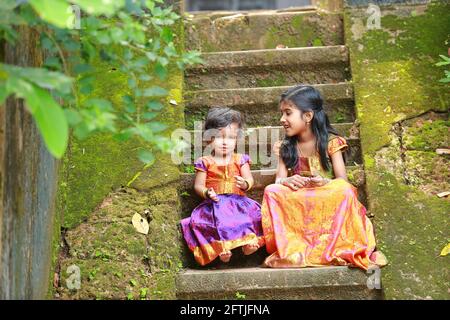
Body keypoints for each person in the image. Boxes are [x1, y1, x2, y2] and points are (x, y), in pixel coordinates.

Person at [261, 85, 387, 270]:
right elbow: (278, 180)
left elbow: (342, 180)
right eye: (282, 113)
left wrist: (325, 182)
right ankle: (293, 247)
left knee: (344, 190)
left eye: (288, 113)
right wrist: (286, 181)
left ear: (308, 116)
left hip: (325, 194)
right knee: (271, 190)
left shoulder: (331, 141)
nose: (282, 119)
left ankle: (332, 245)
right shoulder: (285, 146)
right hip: (298, 197)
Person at [181, 107, 264, 266]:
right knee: (217, 222)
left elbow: (250, 179)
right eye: (219, 137)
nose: (225, 142)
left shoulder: (240, 159)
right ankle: (223, 250)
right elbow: (198, 186)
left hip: (239, 202)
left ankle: (248, 246)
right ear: (208, 139)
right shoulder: (205, 161)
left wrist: (245, 184)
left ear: (237, 140)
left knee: (254, 216)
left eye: (231, 138)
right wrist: (206, 192)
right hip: (216, 204)